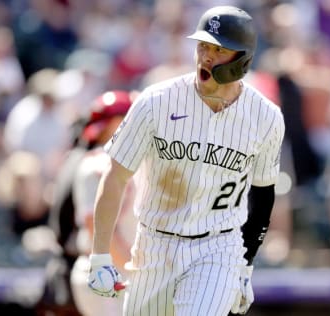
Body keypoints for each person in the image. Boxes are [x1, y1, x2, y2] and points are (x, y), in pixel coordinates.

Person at [73, 6, 285, 316]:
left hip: (217, 247)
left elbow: (263, 195)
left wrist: (246, 264)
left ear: (243, 59)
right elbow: (115, 176)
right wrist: (100, 255)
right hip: (154, 244)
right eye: (202, 45)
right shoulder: (156, 101)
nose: (206, 56)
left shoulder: (266, 117)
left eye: (219, 49)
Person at [37, 90, 136, 316]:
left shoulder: (81, 157)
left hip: (93, 267)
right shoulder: (98, 163)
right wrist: (134, 271)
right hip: (105, 269)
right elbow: (97, 228)